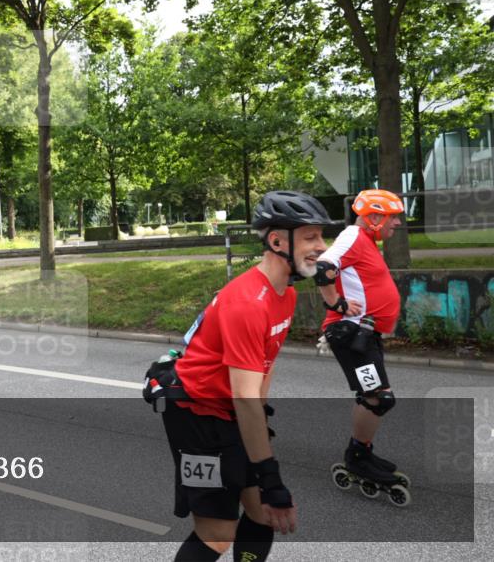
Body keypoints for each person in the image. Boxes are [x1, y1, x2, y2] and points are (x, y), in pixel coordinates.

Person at [153, 191, 333, 561]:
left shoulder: (285, 294)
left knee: (262, 514)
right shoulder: (247, 303)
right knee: (217, 533)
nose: (322, 246)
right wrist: (269, 473)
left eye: (321, 236)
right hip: (195, 418)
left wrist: (258, 428)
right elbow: (244, 397)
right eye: (312, 236)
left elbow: (262, 370)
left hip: (231, 411)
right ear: (277, 241)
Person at [314, 189, 408, 493]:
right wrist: (337, 304)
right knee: (378, 397)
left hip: (363, 333)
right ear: (375, 217)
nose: (397, 224)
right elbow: (322, 268)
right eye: (393, 218)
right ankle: (357, 457)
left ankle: (361, 451)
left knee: (375, 396)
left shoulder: (365, 241)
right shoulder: (353, 235)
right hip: (351, 333)